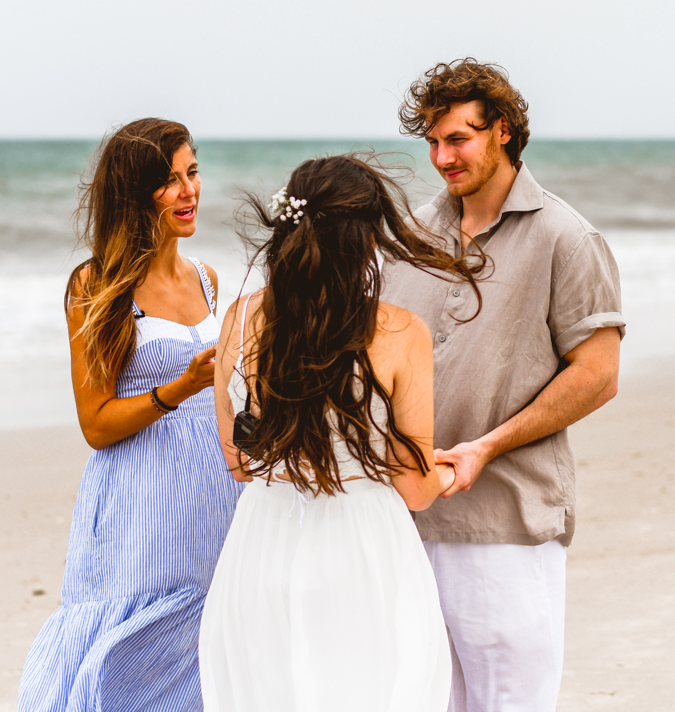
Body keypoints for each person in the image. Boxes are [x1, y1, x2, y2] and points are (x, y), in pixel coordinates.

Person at [382, 59, 625, 712]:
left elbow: (599, 376)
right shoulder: (410, 236)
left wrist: (485, 446)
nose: (441, 157)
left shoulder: (566, 239)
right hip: (407, 524)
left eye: (457, 138)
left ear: (505, 132)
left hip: (506, 527)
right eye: (432, 142)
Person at [199, 155, 483, 712]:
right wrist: (451, 466)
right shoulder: (400, 332)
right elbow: (415, 489)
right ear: (365, 240)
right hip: (360, 553)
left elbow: (238, 460)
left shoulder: (239, 316)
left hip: (260, 547)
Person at [18, 118, 245, 712]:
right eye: (169, 181)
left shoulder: (208, 279)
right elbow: (95, 423)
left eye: (192, 173)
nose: (189, 191)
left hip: (213, 496)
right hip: (139, 506)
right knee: (131, 656)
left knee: (206, 651)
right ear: (134, 193)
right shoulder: (96, 285)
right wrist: (182, 385)